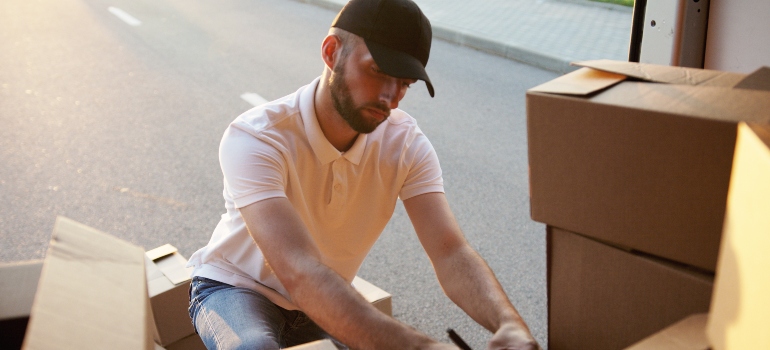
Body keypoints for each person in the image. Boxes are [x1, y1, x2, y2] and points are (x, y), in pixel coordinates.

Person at [186, 0, 541, 349]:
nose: (391, 97)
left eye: (404, 83)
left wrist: (509, 324)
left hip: (324, 301)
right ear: (331, 52)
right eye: (378, 72)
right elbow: (299, 270)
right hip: (236, 288)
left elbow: (450, 251)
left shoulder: (405, 144)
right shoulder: (258, 136)